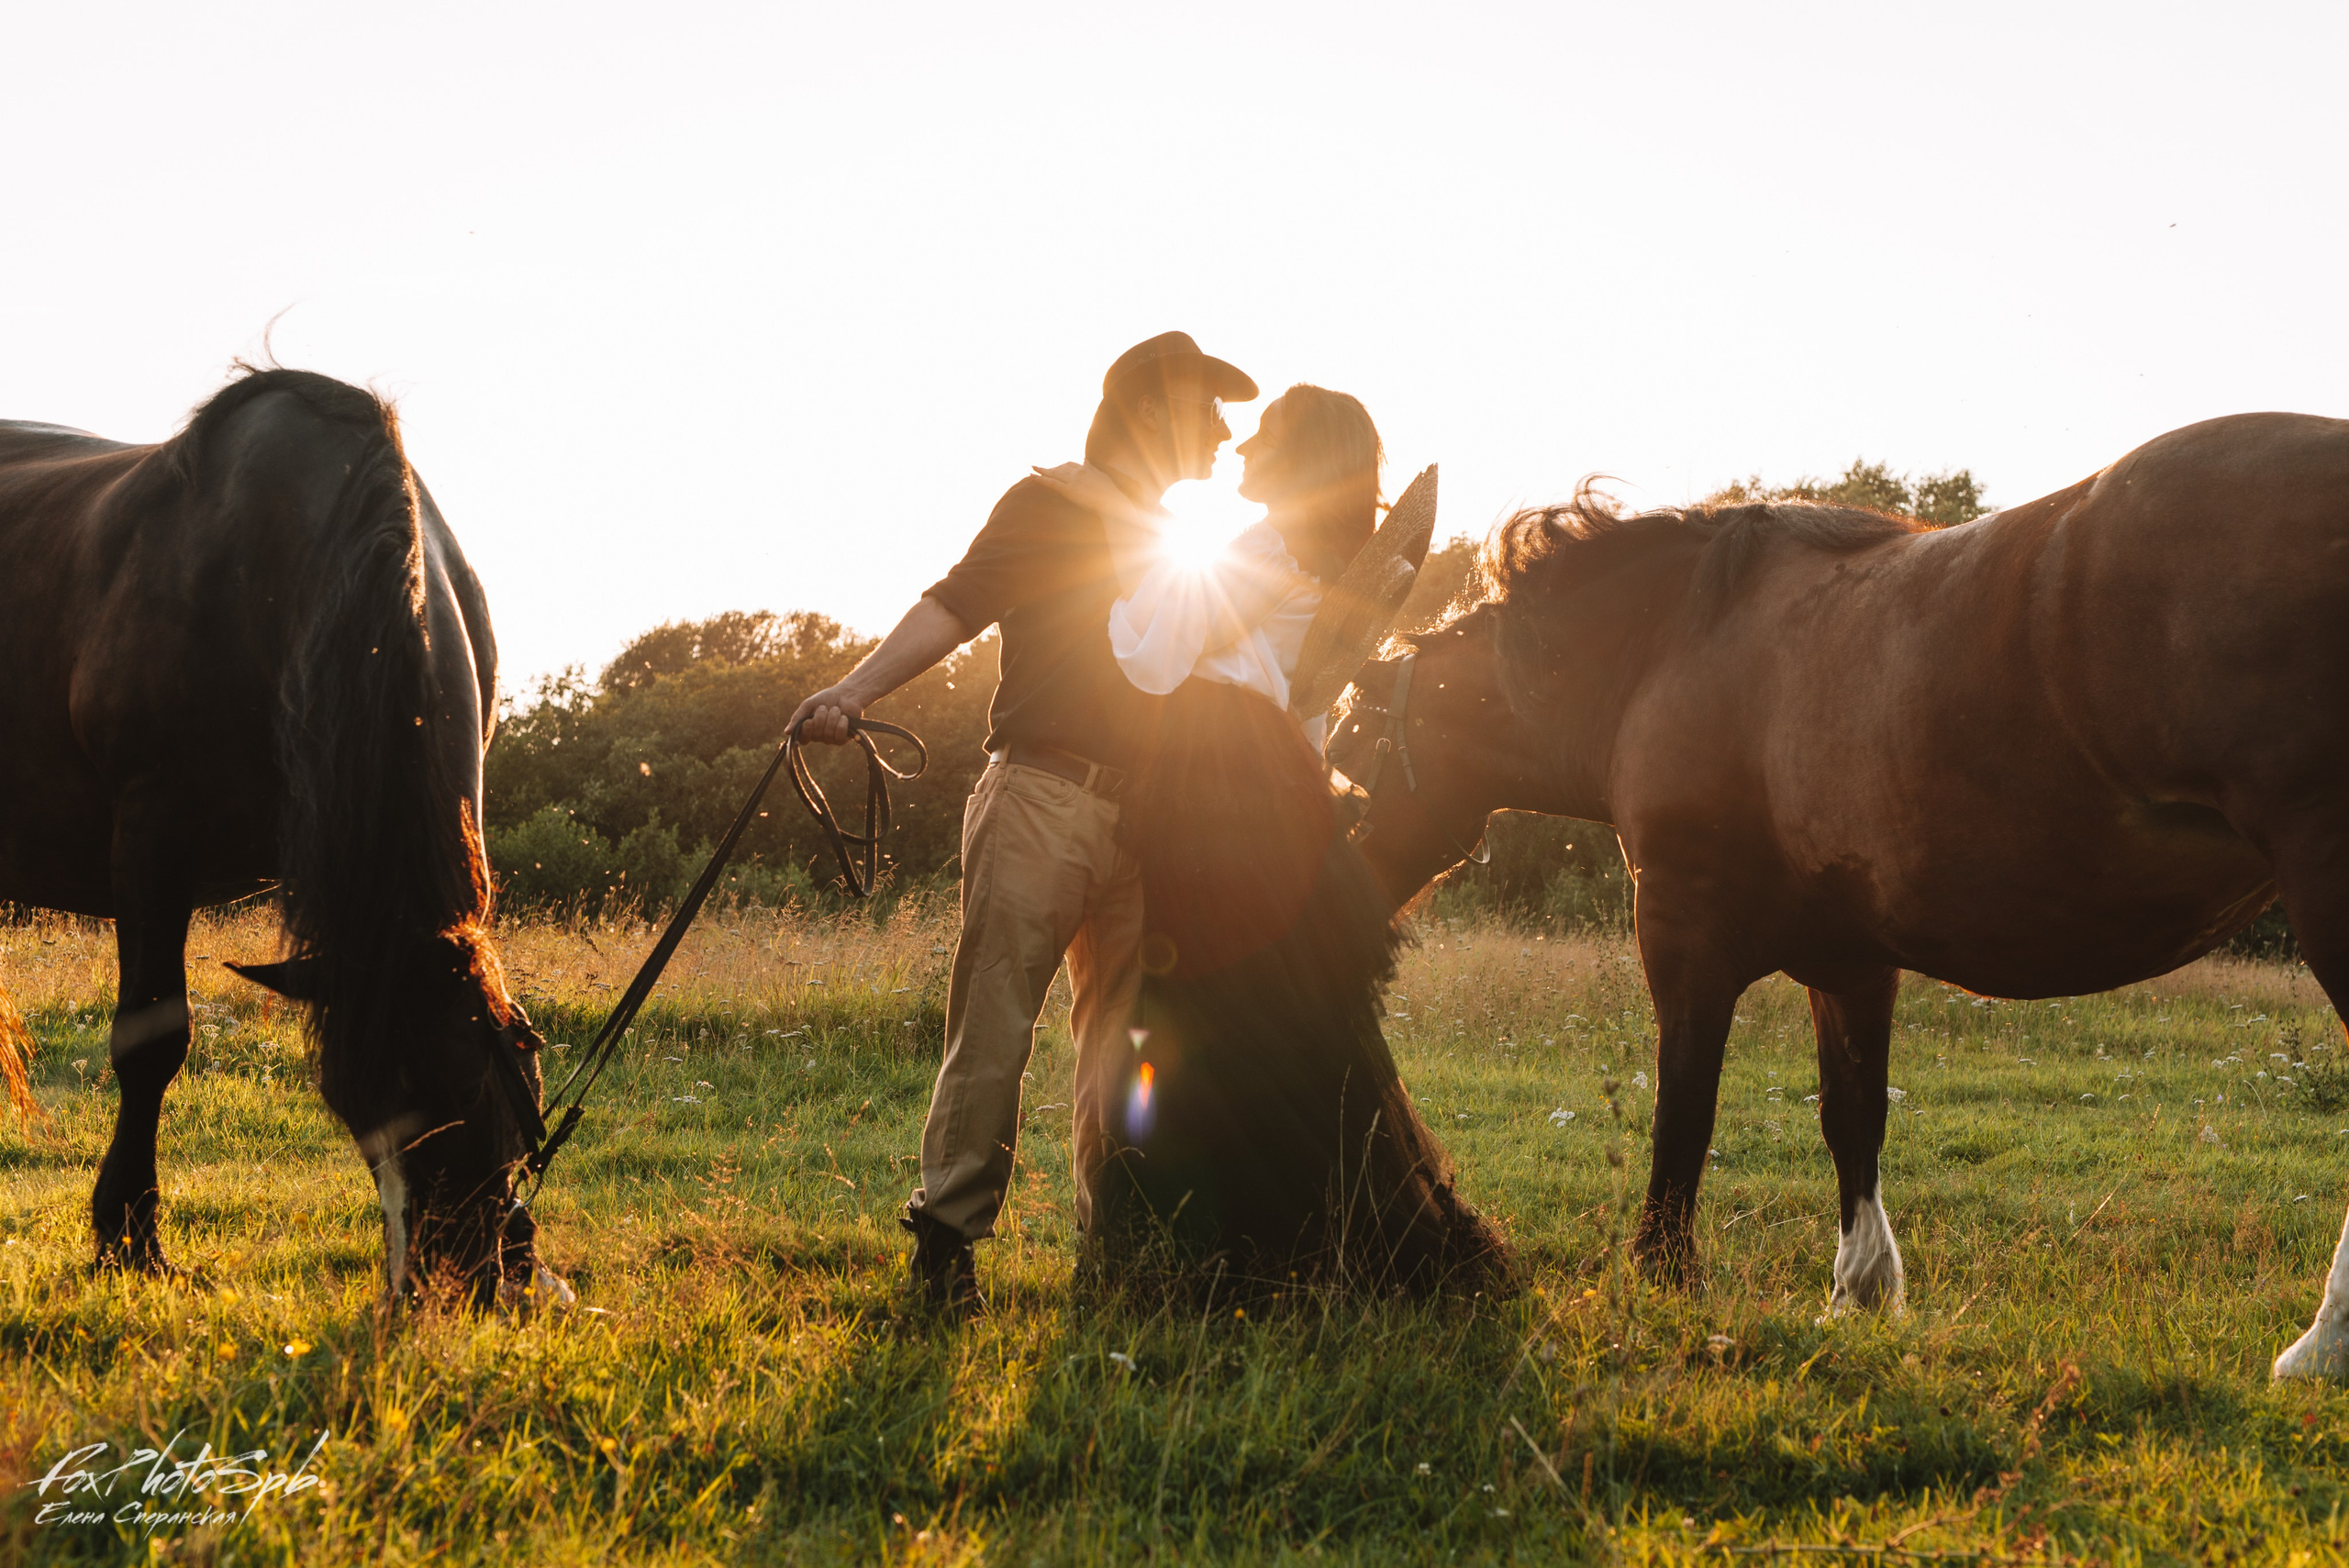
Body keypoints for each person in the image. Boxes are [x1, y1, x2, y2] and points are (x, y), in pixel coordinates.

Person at [786, 331, 1256, 1315]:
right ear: (1146, 411)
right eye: (1206, 406)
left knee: (1126, 1044)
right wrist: (851, 690)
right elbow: (957, 603)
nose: (1222, 429)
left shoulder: (1181, 546)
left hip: (1147, 820)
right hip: (1039, 795)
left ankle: (1116, 1250)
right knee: (996, 1021)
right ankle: (946, 1245)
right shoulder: (1048, 503)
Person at [1030, 386, 1511, 1295]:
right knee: (1270, 1021)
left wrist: (1097, 546)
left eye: (1267, 432)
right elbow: (1298, 703)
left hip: (1213, 791)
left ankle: (1194, 1241)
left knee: (1184, 1015)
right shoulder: (1326, 561)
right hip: (1272, 794)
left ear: (1301, 456)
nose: (1244, 444)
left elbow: (1145, 655)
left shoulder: (1261, 552)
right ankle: (1286, 1241)